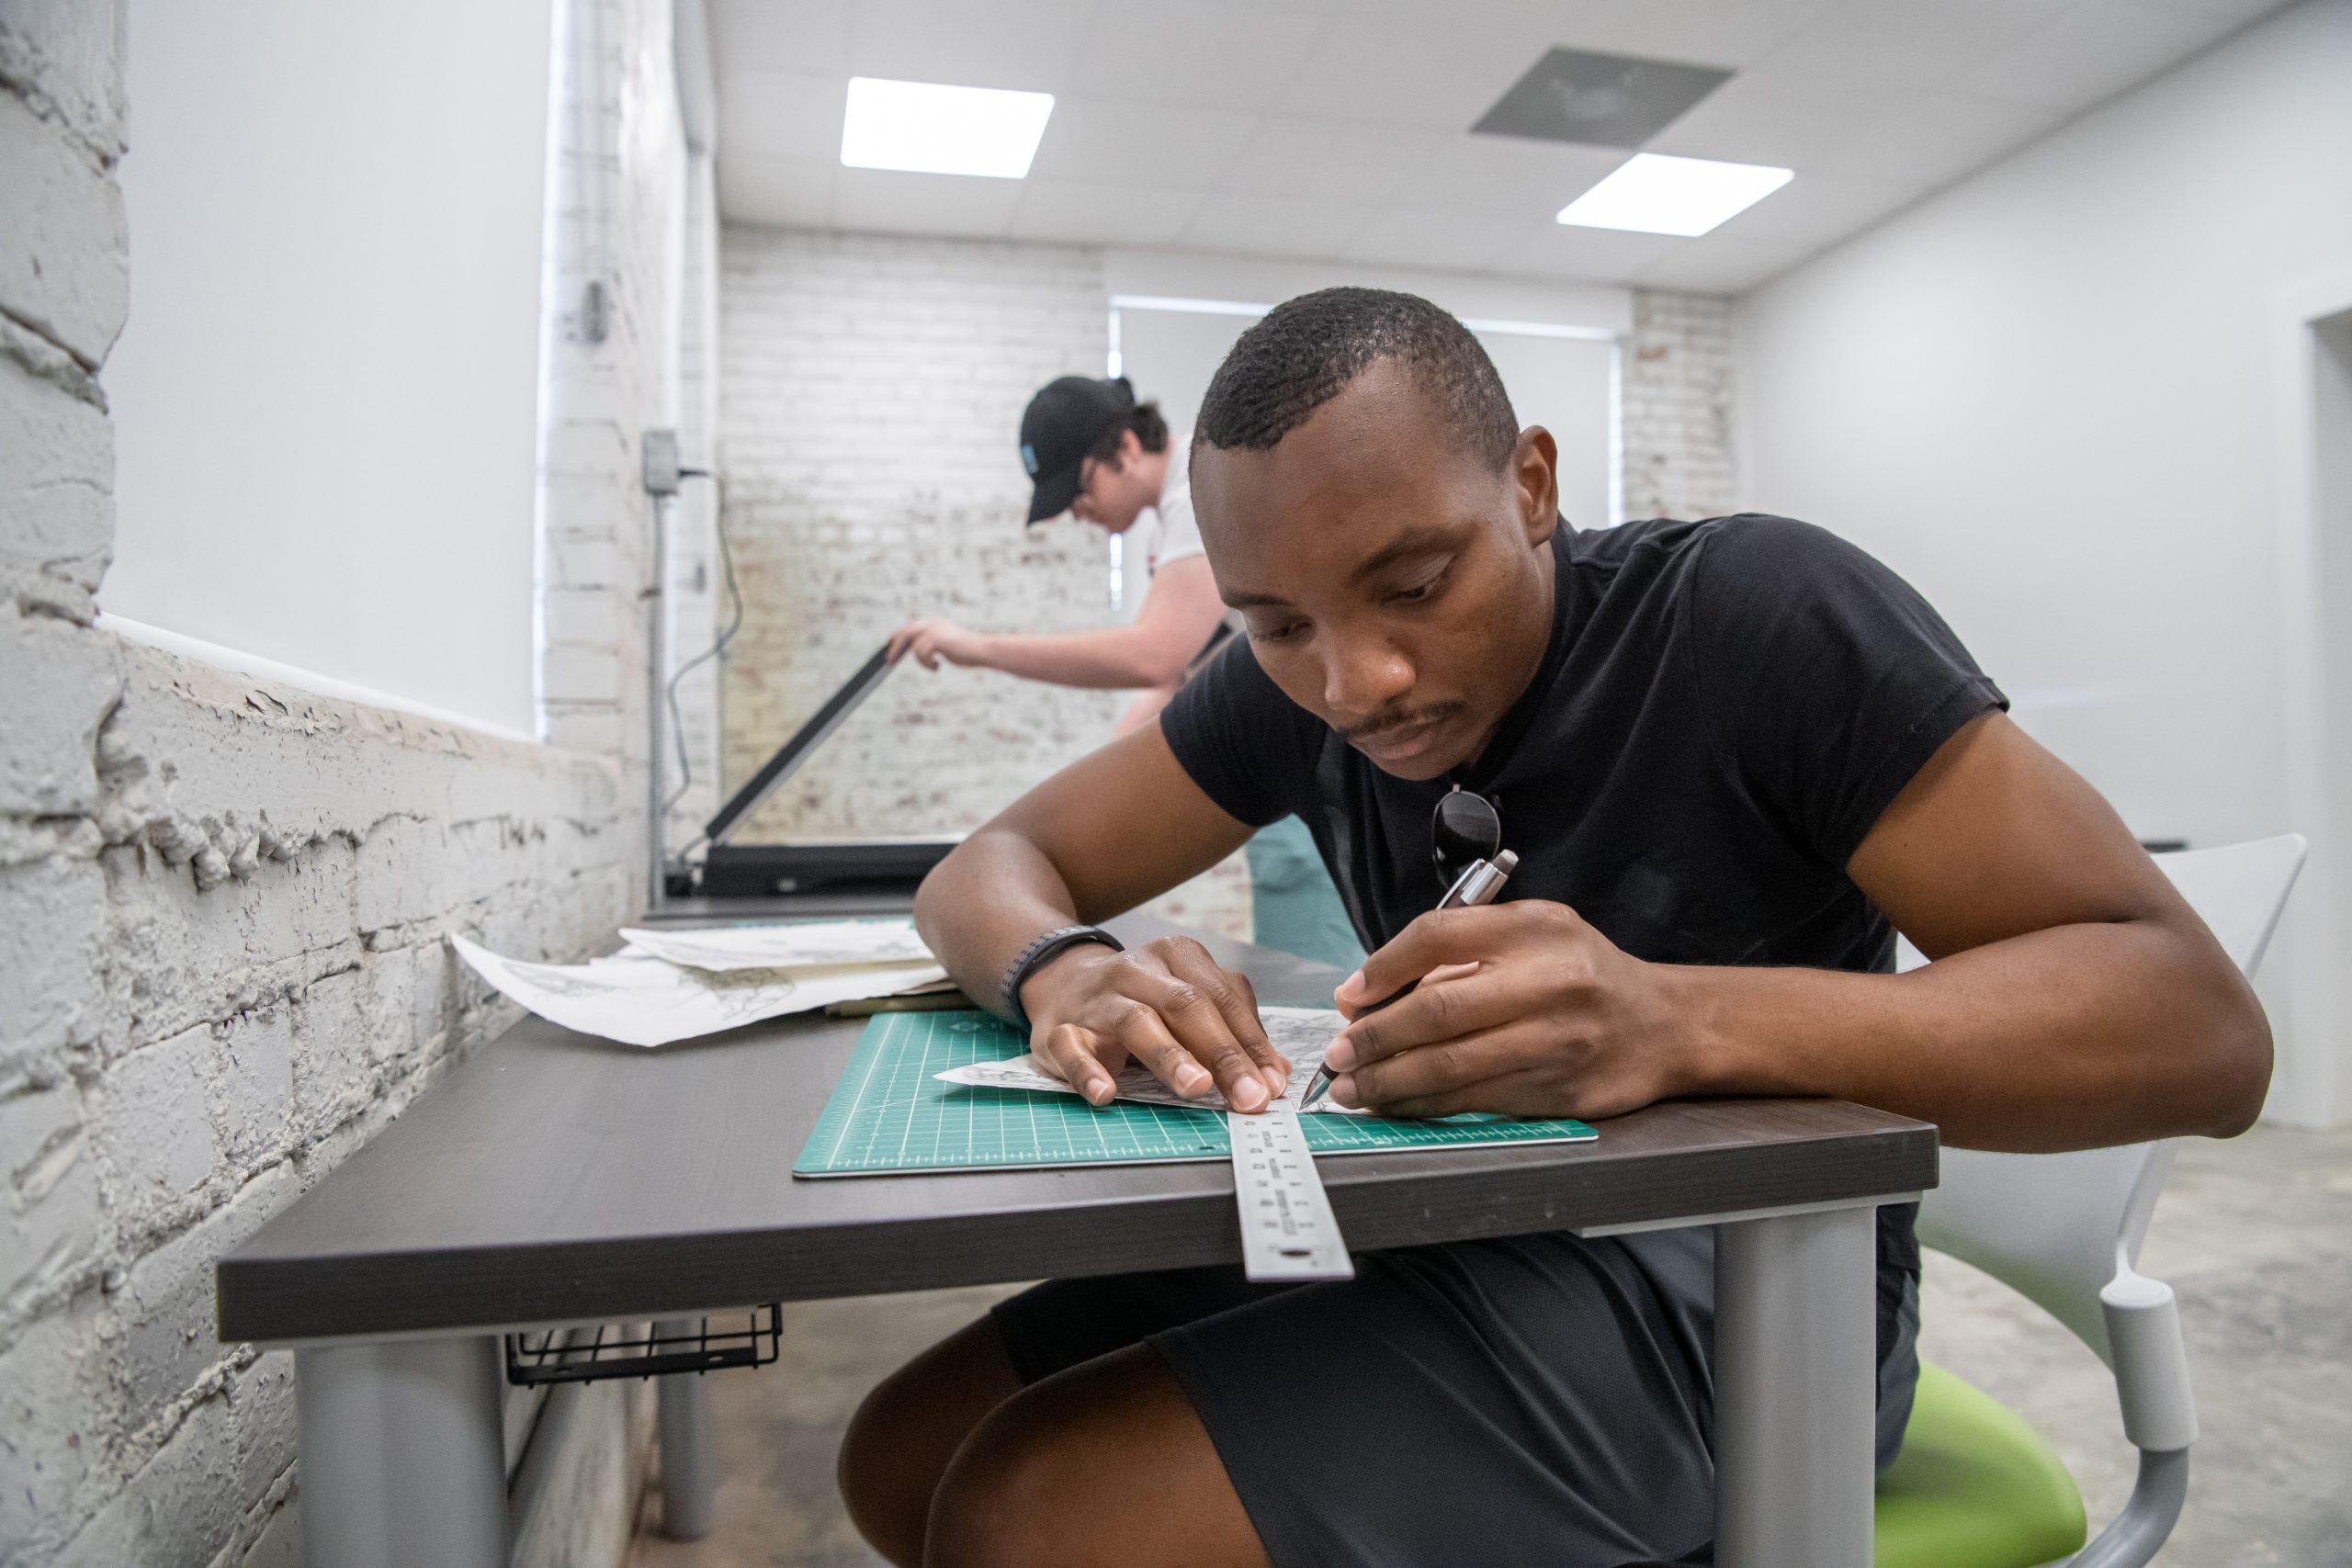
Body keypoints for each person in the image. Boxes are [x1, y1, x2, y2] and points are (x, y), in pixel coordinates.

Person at [839, 288, 2270, 1568]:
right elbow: (992, 864)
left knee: (1036, 1515)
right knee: (904, 1450)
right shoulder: (1294, 684)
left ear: (1532, 483)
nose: (1358, 679)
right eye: (1279, 623)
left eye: (1413, 585)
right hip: (1454, 1218)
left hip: (1753, 1297)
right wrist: (1067, 966)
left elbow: (2198, 1030)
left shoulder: (1752, 615)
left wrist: (1676, 1022)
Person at [889, 373, 1363, 971]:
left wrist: (976, 646)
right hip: (1276, 759)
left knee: (1326, 981)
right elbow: (1175, 681)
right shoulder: (1170, 521)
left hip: (1316, 750)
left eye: (1079, 488)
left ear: (1128, 447)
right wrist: (1084, 795)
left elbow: (1153, 653)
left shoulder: (1201, 483)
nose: (1077, 512)